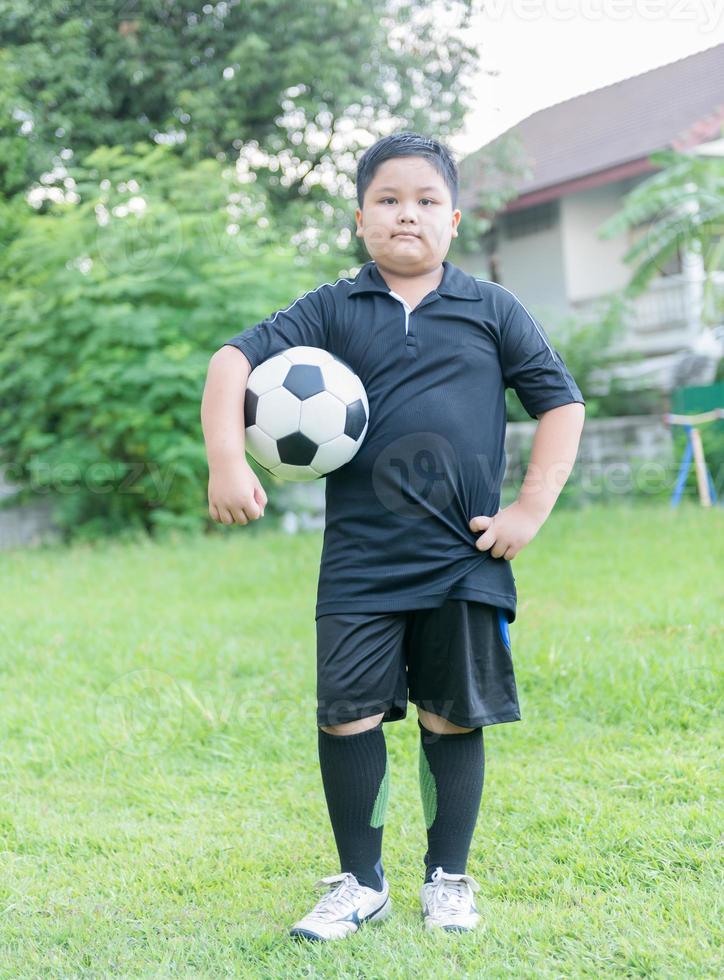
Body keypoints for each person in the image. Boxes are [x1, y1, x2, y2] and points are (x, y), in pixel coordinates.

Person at [200, 131, 585, 941]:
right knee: (346, 715)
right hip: (360, 563)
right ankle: (361, 882)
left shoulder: (491, 309)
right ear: (359, 217)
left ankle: (448, 878)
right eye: (387, 199)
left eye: (425, 200)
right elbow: (232, 361)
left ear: (454, 220)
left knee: (453, 716)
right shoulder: (335, 308)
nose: (406, 213)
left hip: (462, 560)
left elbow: (562, 403)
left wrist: (528, 512)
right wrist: (228, 460)